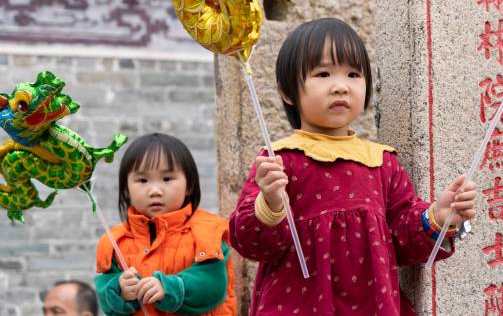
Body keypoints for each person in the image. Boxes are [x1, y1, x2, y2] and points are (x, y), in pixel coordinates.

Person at [229, 18, 478, 315]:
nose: (340, 87)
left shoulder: (382, 162)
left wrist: (438, 215)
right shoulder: (279, 162)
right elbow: (251, 244)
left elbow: (402, 240)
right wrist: (269, 203)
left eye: (353, 74)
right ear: (287, 91)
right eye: (323, 73)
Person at [94, 133, 236, 316]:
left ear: (189, 185)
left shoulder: (207, 232)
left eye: (167, 179)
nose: (155, 191)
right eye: (142, 180)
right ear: (127, 190)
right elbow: (104, 293)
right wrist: (119, 290)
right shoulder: (114, 243)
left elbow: (213, 285)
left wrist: (171, 287)